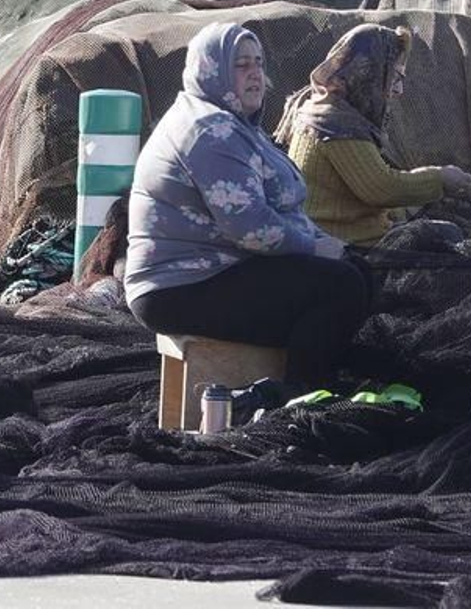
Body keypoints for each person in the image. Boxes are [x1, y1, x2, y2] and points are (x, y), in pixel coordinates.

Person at [124, 22, 369, 387]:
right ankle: (304, 394)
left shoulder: (233, 124)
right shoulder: (210, 131)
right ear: (212, 70)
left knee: (357, 274)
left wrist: (328, 246)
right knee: (340, 286)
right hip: (181, 287)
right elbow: (252, 230)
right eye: (240, 65)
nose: (255, 74)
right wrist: (315, 246)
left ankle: (312, 378)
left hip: (212, 272)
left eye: (258, 63)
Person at [273, 24, 471, 246]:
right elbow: (381, 189)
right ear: (369, 73)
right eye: (394, 77)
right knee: (451, 238)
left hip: (342, 236)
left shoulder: (326, 110)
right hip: (342, 245)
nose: (398, 91)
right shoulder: (334, 124)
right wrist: (440, 178)